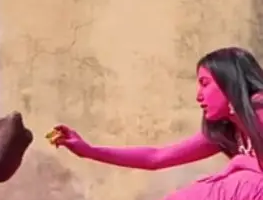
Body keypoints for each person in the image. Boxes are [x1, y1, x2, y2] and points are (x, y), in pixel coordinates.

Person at [47, 46, 263, 171]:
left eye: (205, 84)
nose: (199, 96)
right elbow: (156, 158)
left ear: (230, 82)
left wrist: (240, 164)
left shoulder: (259, 113)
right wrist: (89, 151)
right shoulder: (227, 131)